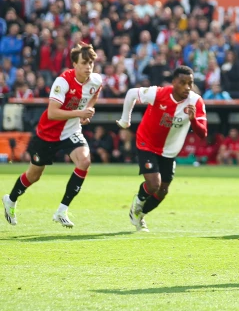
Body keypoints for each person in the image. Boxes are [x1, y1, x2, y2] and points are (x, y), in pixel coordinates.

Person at [3, 44, 102, 228]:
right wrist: (79, 114)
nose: (89, 67)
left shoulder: (95, 80)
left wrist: (88, 109)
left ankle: (62, 210)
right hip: (47, 134)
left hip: (71, 131)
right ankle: (11, 199)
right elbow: (52, 113)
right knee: (34, 175)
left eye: (91, 62)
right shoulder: (62, 81)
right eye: (84, 63)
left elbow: (94, 94)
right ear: (74, 64)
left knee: (84, 161)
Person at [116, 66, 208, 232]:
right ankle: (137, 203)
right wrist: (125, 120)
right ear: (174, 83)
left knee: (163, 190)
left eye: (190, 83)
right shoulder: (157, 93)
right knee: (153, 184)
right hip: (147, 143)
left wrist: (193, 120)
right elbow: (131, 94)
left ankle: (139, 214)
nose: (187, 87)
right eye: (183, 83)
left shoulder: (196, 102)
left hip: (169, 151)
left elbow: (203, 133)